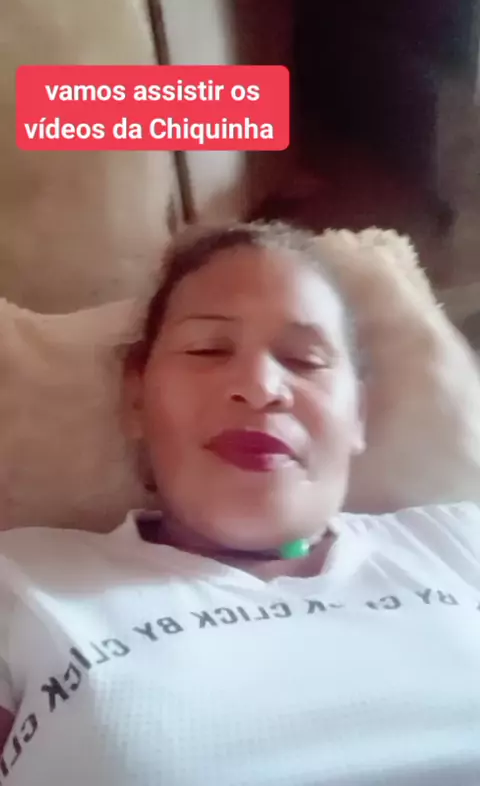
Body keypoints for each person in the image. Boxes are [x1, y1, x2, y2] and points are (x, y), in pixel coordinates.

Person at [0, 220, 478, 786]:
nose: (260, 386)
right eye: (207, 349)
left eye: (305, 360)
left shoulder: (459, 544)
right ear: (136, 398)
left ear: (358, 415)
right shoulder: (24, 582)